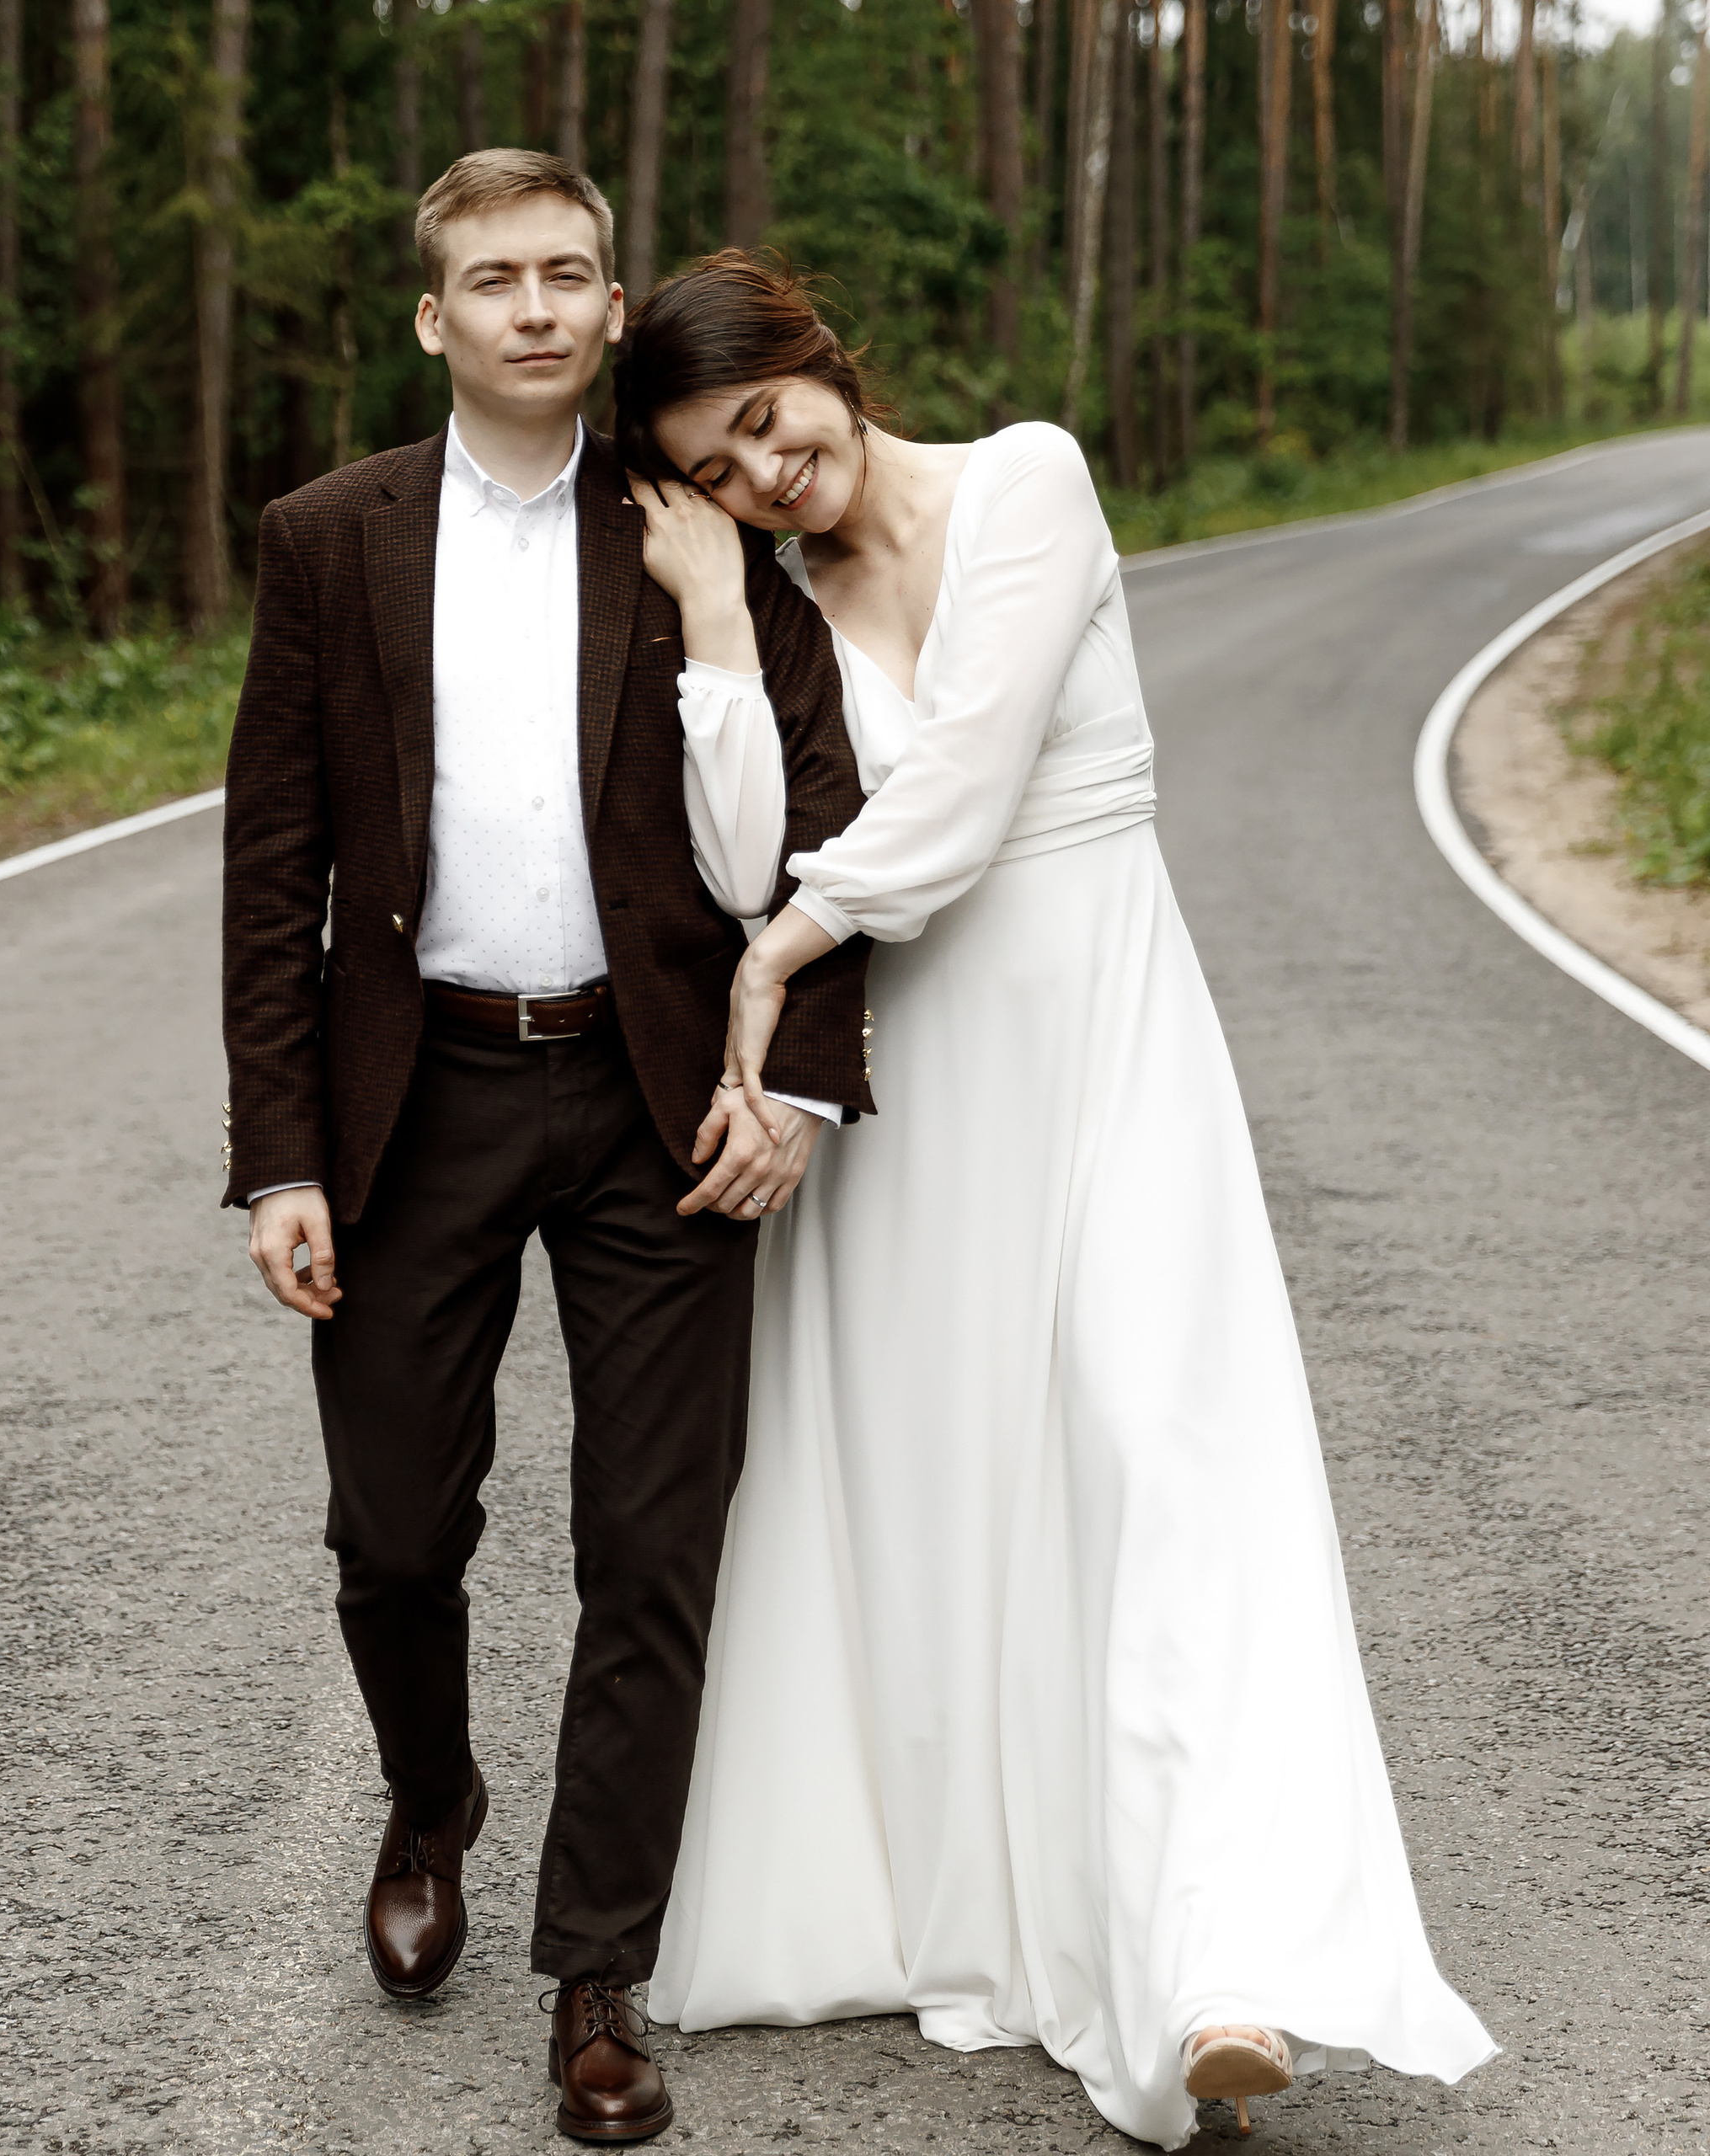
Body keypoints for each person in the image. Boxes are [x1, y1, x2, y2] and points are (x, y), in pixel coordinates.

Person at [608, 253, 1497, 2150]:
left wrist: (780, 956)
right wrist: (713, 620)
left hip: (1104, 1048)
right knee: (959, 1501)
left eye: (766, 418)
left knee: (1156, 1456)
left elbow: (954, 797)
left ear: (819, 357)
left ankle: (1214, 1966)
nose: (766, 473)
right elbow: (744, 851)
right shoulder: (773, 600)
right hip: (918, 1103)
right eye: (717, 468)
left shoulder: (1029, 478)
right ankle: (1010, 1904)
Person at [221, 164, 872, 2143]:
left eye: (566, 275)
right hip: (410, 1098)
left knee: (651, 1549)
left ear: (607, 309)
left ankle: (597, 1969)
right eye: (490, 279)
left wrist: (799, 1087)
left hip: (657, 1102)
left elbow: (828, 824)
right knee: (393, 1532)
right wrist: (280, 1154)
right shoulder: (325, 538)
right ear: (433, 318)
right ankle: (429, 1793)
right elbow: (272, 869)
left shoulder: (697, 529)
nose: (531, 306)